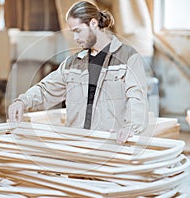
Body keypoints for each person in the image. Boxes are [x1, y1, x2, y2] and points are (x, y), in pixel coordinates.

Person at [8, 1, 149, 145]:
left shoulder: (128, 58)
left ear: (93, 23)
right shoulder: (72, 63)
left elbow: (137, 98)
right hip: (76, 145)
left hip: (110, 144)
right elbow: (46, 90)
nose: (75, 38)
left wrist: (130, 127)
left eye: (78, 31)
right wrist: (23, 101)